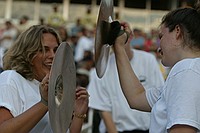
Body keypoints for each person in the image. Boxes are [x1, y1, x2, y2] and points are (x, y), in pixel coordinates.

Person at [112, 1, 200, 133]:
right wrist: (119, 47)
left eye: (161, 36)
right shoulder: (190, 71)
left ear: (177, 32)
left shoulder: (186, 70)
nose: (158, 47)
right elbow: (136, 97)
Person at [0, 25, 89, 133]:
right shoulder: (11, 78)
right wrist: (44, 103)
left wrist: (79, 114)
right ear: (27, 53)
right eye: (44, 49)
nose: (52, 55)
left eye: (56, 50)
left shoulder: (55, 88)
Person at [88, 33, 164, 133]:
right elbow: (104, 110)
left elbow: (159, 99)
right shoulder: (102, 69)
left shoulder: (148, 60)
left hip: (148, 129)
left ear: (131, 36)